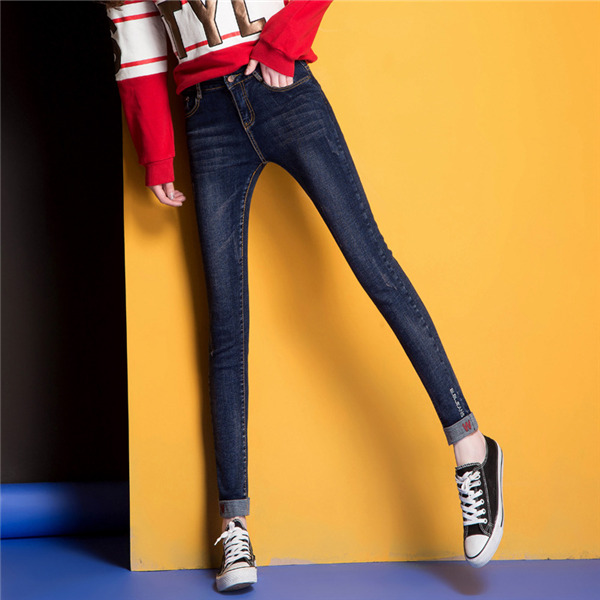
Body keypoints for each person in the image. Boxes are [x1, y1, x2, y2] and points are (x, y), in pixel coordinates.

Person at [105, 0, 504, 592]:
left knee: (374, 266)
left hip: (281, 87)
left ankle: (472, 447)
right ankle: (234, 525)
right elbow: (134, 33)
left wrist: (283, 41)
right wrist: (157, 149)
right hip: (206, 114)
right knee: (226, 327)